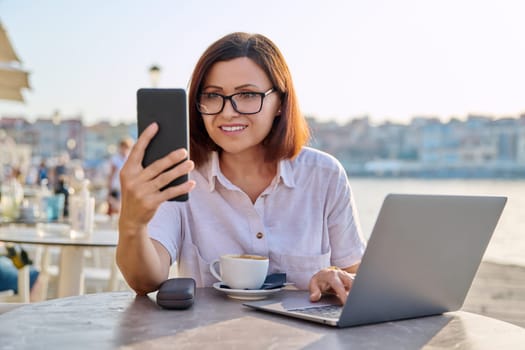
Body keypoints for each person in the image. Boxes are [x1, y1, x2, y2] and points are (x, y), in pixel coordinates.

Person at [117, 32, 365, 305]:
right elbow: (145, 281)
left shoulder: (324, 175)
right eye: (213, 96)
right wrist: (132, 223)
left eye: (247, 94)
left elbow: (354, 274)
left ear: (280, 103)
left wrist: (334, 277)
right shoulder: (181, 176)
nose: (227, 112)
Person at [107, 137, 134, 215]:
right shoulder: (115, 159)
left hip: (127, 187)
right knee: (115, 208)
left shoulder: (130, 158)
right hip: (117, 187)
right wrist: (109, 189)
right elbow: (111, 175)